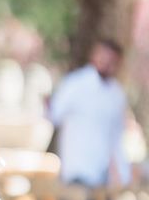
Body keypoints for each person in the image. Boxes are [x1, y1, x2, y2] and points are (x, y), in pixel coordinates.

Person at [47, 38, 131, 188]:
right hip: (77, 170)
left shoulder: (117, 94)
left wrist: (123, 174)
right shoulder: (75, 84)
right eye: (103, 57)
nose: (106, 63)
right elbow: (54, 115)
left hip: (103, 175)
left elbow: (116, 137)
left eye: (112, 60)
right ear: (94, 55)